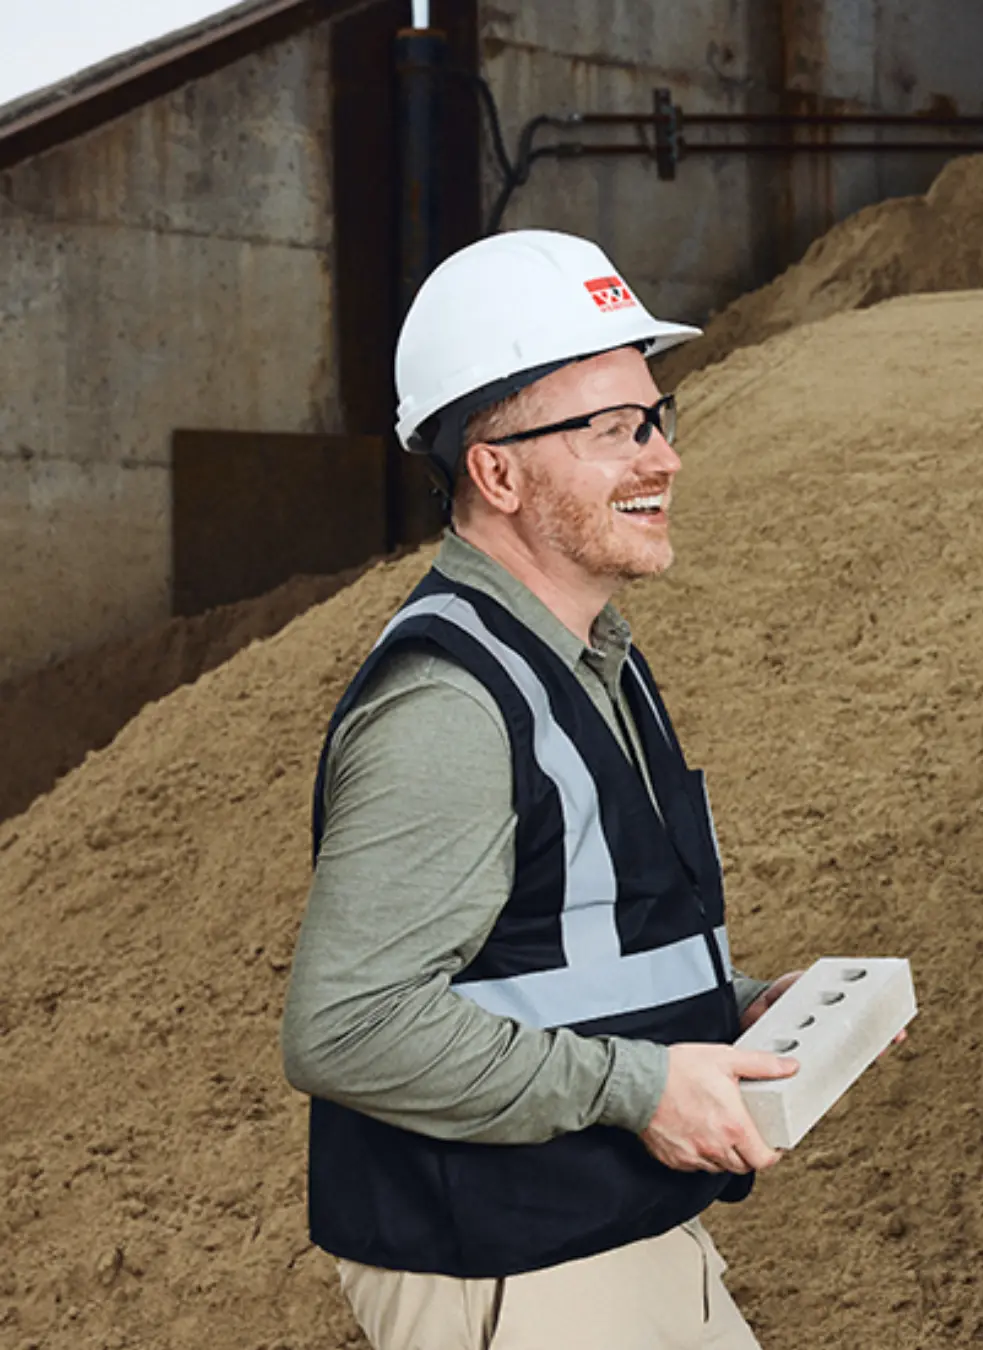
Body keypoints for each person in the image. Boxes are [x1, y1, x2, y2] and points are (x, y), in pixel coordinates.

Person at [282, 230, 806, 1350]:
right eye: (611, 432)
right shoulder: (451, 704)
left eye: (655, 419)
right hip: (511, 1271)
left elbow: (556, 949)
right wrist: (640, 1088)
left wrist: (734, 1006)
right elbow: (349, 1026)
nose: (661, 458)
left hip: (614, 1236)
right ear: (498, 470)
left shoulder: (593, 657)